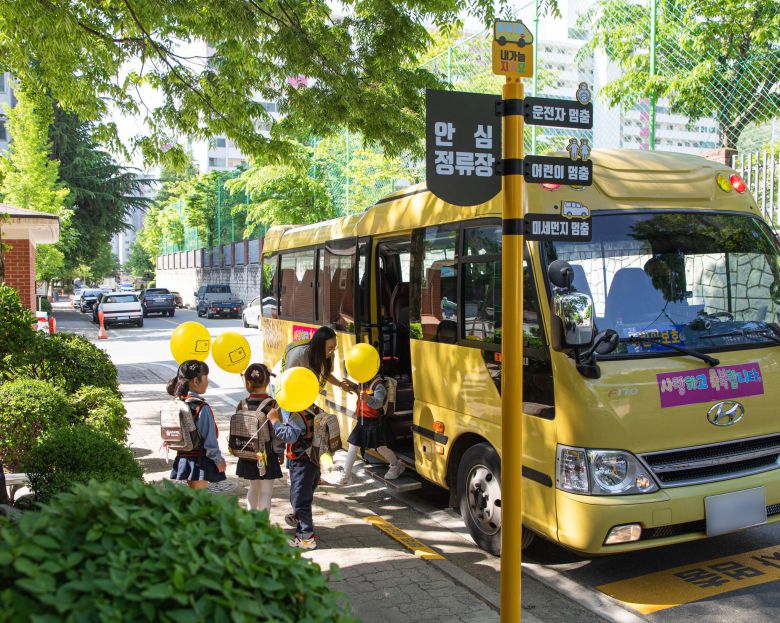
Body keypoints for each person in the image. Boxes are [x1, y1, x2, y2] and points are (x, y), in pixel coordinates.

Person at [166, 360, 226, 490]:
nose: (207, 382)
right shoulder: (201, 407)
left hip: (183, 457)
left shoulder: (178, 403)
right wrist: (218, 460)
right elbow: (209, 439)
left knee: (192, 496)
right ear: (196, 381)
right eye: (206, 378)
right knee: (200, 498)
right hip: (200, 461)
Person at [337, 373, 404, 485]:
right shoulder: (365, 383)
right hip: (362, 421)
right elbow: (361, 392)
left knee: (380, 448)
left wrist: (368, 399)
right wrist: (353, 386)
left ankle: (396, 465)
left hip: (374, 422)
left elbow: (378, 403)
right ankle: (346, 476)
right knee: (353, 446)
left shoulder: (378, 385)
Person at [268, 405, 319, 550]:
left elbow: (289, 436)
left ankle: (306, 537)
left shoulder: (297, 415)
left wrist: (274, 420)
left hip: (302, 462)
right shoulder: (313, 409)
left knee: (300, 499)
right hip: (312, 459)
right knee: (303, 494)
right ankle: (299, 518)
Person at [236, 363, 283, 513]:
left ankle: (251, 520)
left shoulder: (242, 404)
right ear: (268, 381)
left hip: (247, 452)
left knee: (253, 486)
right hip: (267, 454)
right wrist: (280, 452)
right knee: (266, 491)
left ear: (248, 382)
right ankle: (262, 524)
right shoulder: (273, 404)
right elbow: (276, 434)